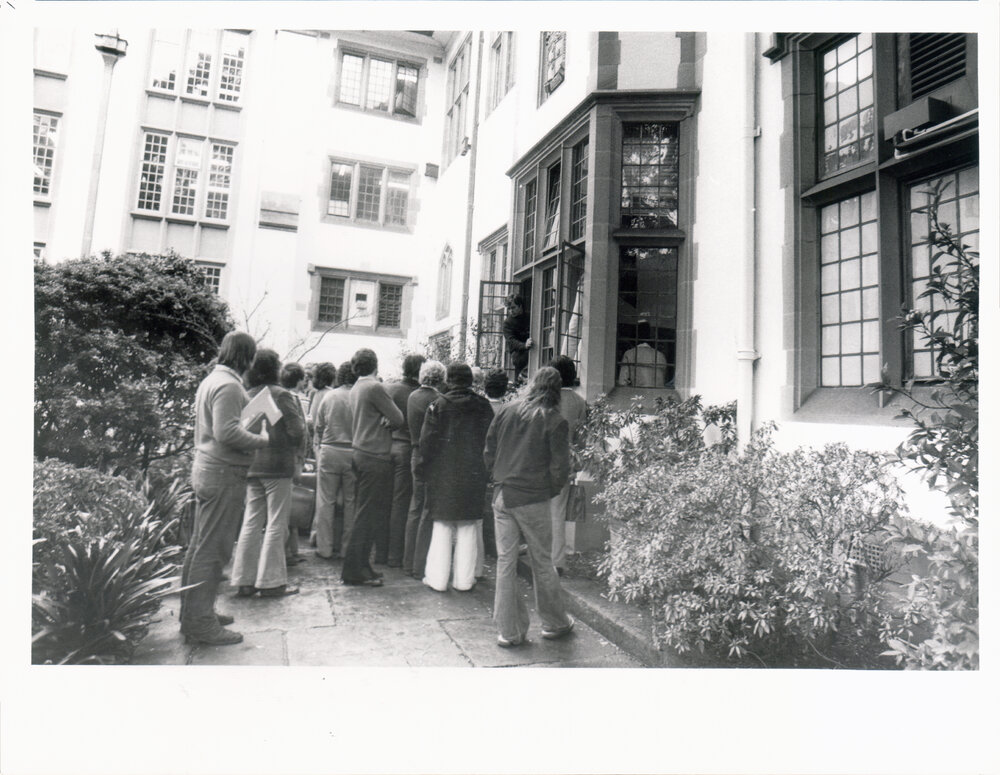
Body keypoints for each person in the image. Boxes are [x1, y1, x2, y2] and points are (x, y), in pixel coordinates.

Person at [180, 331, 269, 646]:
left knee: (200, 545)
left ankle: (193, 613)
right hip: (222, 471)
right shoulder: (230, 385)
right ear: (247, 356)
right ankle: (200, 623)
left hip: (207, 467)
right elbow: (226, 432)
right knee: (213, 548)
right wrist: (262, 440)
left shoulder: (213, 380)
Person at [484, 366, 575, 647]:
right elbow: (560, 469)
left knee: (506, 562)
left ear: (533, 384)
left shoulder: (508, 410)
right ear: (556, 390)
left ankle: (509, 631)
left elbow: (489, 450)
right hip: (532, 497)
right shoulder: (555, 420)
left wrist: (496, 477)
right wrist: (548, 490)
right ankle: (554, 622)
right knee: (542, 562)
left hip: (503, 494)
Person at [231, 349, 307, 599]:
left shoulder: (247, 394)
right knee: (276, 523)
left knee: (251, 522)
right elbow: (297, 431)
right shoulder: (280, 394)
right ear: (274, 368)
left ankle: (244, 580)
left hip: (252, 466)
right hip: (277, 465)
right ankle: (271, 582)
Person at [417, 362, 495, 592]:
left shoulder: (437, 406)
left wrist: (423, 470)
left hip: (443, 474)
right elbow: (491, 442)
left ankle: (438, 579)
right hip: (474, 474)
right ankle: (464, 580)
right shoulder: (483, 406)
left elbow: (427, 443)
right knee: (469, 526)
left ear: (448, 380)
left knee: (442, 525)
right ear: (470, 381)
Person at [342, 348, 405, 586]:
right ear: (375, 365)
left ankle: (362, 567)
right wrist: (387, 422)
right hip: (375, 455)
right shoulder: (375, 387)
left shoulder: (357, 387)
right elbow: (398, 418)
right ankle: (354, 571)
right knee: (367, 516)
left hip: (360, 453)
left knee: (365, 513)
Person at [401, 359, 446, 578]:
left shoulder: (412, 396)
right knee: (427, 509)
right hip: (431, 456)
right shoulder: (438, 400)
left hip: (414, 452)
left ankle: (408, 562)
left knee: (415, 507)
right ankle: (420, 565)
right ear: (440, 378)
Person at [381, 353, 425, 567]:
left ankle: (381, 552)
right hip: (406, 448)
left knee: (385, 499)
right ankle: (394, 555)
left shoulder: (390, 389)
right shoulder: (418, 394)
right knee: (401, 503)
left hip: (386, 446)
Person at [548, 355, 588, 576]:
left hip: (544, 462)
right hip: (567, 462)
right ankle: (558, 559)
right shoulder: (580, 401)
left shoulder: (547, 399)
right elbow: (582, 439)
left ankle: (550, 559)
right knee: (559, 512)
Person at [313, 361, 357, 560]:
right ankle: (347, 548)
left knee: (326, 501)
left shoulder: (329, 396)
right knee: (351, 502)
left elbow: (319, 427)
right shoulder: (359, 397)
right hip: (353, 452)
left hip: (329, 450)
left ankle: (325, 547)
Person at [279, 361, 310, 566]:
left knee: (291, 506)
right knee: (289, 508)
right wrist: (301, 459)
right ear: (299, 380)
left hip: (290, 457)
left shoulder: (282, 396)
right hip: (292, 458)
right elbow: (301, 432)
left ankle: (292, 550)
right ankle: (287, 552)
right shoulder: (293, 399)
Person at [618, 321, 668, 387]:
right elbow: (664, 380)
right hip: (657, 395)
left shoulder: (629, 354)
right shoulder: (660, 355)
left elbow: (623, 382)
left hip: (637, 395)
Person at [502, 293, 532, 384]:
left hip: (532, 348)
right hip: (518, 353)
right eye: (509, 309)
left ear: (520, 306)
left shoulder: (531, 317)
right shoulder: (507, 323)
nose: (511, 311)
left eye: (513, 308)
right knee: (520, 380)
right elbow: (511, 341)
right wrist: (524, 345)